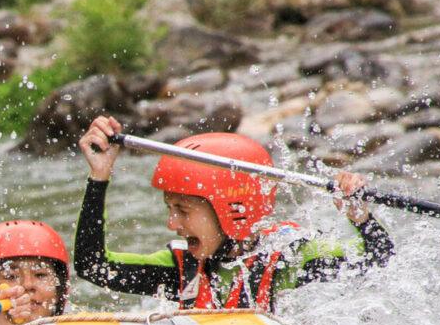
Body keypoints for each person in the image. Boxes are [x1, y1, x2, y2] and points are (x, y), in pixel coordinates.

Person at [74, 115, 392, 310]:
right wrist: (99, 176)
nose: (172, 224)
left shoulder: (290, 258)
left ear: (232, 210)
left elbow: (380, 262)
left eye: (183, 210)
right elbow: (94, 266)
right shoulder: (181, 270)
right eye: (169, 209)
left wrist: (360, 216)